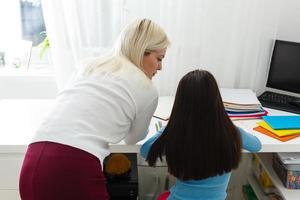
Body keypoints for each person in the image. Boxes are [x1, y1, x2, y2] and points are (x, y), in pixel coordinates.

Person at [19, 18, 170, 200]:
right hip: (74, 164)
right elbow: (132, 138)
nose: (160, 67)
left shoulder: (90, 66)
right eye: (159, 58)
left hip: (33, 160)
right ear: (142, 52)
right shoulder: (147, 89)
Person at [140, 69, 262, 200]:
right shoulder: (230, 132)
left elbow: (145, 151)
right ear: (216, 100)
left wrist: (167, 128)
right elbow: (257, 145)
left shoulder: (174, 134)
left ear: (181, 104)